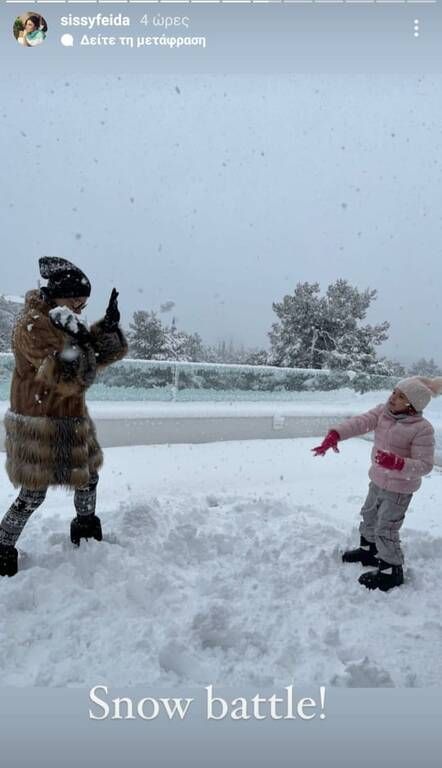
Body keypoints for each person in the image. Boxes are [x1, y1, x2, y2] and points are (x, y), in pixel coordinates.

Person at [0, 257, 128, 577]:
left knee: (87, 477)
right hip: (40, 422)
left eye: (83, 302)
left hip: (68, 418)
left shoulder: (61, 318)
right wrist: (79, 339)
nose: (79, 306)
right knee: (33, 493)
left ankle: (85, 532)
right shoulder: (34, 323)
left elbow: (87, 360)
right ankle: (2, 547)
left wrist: (106, 331)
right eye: (75, 299)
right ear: (57, 292)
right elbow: (67, 374)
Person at [312, 377, 442, 591]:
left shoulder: (422, 429)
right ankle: (369, 550)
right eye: (394, 392)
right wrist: (336, 434)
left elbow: (425, 465)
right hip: (378, 479)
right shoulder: (383, 412)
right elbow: (360, 422)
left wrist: (398, 463)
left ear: (413, 404)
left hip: (400, 489)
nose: (393, 397)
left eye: (401, 397)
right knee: (369, 515)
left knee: (386, 527)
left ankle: (392, 570)